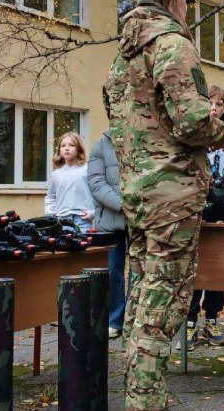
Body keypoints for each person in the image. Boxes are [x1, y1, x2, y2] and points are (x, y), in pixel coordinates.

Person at [104, 0, 224, 410]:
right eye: (186, 1)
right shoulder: (173, 44)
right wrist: (221, 131)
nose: (187, 10)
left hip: (138, 195)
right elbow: (192, 121)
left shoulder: (123, 58)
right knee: (163, 306)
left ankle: (142, 394)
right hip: (173, 197)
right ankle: (145, 402)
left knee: (141, 298)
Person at [182, 85, 224, 350]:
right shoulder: (193, 135)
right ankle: (189, 323)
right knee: (194, 268)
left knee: (218, 269)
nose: (214, 108)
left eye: (219, 104)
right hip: (197, 210)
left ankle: (212, 320)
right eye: (209, 103)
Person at [87, 127, 128, 340]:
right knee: (113, 271)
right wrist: (122, 204)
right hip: (111, 219)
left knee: (142, 272)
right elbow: (96, 182)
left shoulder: (146, 138)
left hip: (142, 218)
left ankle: (133, 321)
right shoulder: (101, 144)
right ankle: (115, 319)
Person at [44, 132, 95, 232]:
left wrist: (93, 213)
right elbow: (51, 196)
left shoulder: (87, 170)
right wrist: (50, 213)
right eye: (63, 146)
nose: (67, 148)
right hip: (61, 220)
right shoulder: (56, 173)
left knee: (83, 247)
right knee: (63, 247)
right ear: (59, 150)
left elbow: (96, 194)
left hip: (82, 220)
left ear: (79, 149)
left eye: (71, 145)